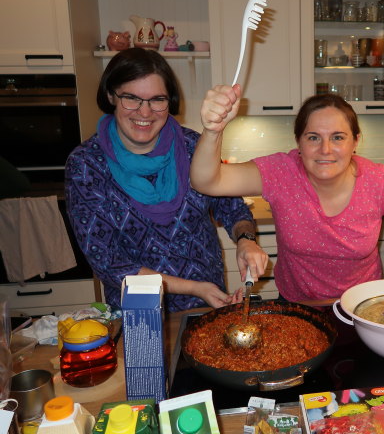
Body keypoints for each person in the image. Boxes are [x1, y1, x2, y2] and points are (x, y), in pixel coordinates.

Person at [65, 48, 268, 312]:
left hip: (207, 304)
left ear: (169, 101)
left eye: (156, 100)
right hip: (139, 312)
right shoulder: (86, 166)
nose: (145, 112)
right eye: (132, 98)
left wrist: (246, 240)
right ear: (110, 96)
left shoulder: (194, 145)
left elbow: (231, 207)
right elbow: (109, 263)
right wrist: (194, 287)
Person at [190, 87, 384, 303]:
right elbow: (206, 181)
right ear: (298, 143)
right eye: (313, 137)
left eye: (338, 137)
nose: (325, 149)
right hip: (297, 307)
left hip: (361, 307)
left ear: (355, 142)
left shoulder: (378, 180)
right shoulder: (281, 173)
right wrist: (213, 130)